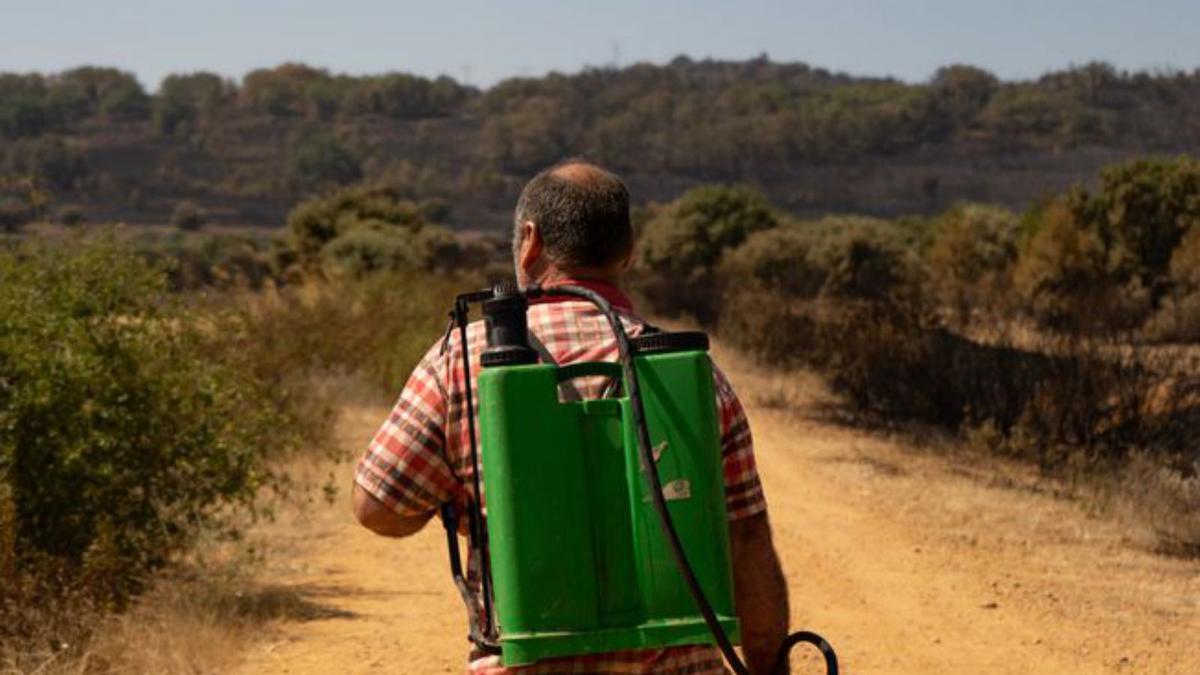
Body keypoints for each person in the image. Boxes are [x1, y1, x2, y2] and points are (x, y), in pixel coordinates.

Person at [353, 160, 790, 674]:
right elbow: (747, 540)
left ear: (529, 241)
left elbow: (377, 508)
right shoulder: (689, 371)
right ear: (629, 251)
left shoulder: (462, 362)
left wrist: (463, 499)